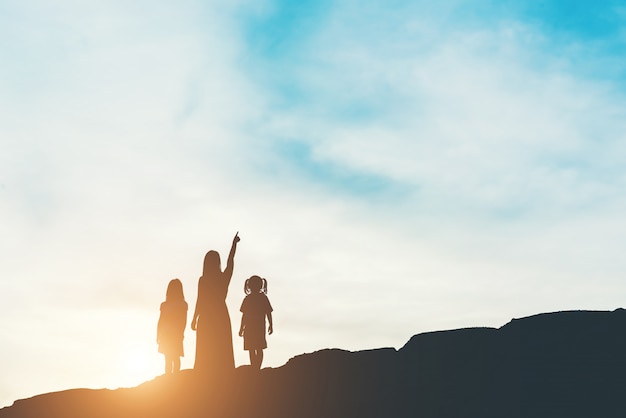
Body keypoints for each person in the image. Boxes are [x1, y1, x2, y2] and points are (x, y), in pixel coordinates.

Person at [191, 232, 240, 375]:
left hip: (206, 316)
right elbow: (230, 263)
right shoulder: (222, 278)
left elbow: (199, 301)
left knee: (207, 346)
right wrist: (233, 246)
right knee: (220, 345)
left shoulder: (203, 279)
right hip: (220, 314)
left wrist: (195, 318)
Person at [238, 275, 273, 370]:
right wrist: (241, 328)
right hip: (254, 326)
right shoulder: (249, 299)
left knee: (256, 347)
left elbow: (268, 312)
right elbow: (244, 315)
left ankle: (256, 367)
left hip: (256, 326)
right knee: (253, 348)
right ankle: (255, 367)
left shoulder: (260, 298)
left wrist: (271, 325)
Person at [157, 278, 188, 374]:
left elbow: (160, 321)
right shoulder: (182, 304)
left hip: (168, 334)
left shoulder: (166, 305)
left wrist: (158, 335)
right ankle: (173, 378)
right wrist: (181, 332)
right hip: (172, 334)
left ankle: (170, 379)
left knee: (169, 358)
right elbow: (183, 321)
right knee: (174, 357)